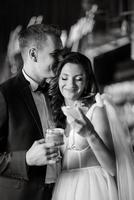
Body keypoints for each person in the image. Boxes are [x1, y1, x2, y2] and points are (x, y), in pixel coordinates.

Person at [49, 50, 134, 200]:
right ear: (58, 79)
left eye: (78, 79)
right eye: (64, 77)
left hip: (91, 189)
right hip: (64, 188)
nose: (70, 84)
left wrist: (90, 133)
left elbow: (112, 168)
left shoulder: (95, 111)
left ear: (87, 81)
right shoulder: (59, 114)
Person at [0, 23, 63, 200]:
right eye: (55, 55)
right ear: (33, 54)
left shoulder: (59, 90)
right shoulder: (4, 94)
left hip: (62, 191)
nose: (61, 60)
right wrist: (26, 159)